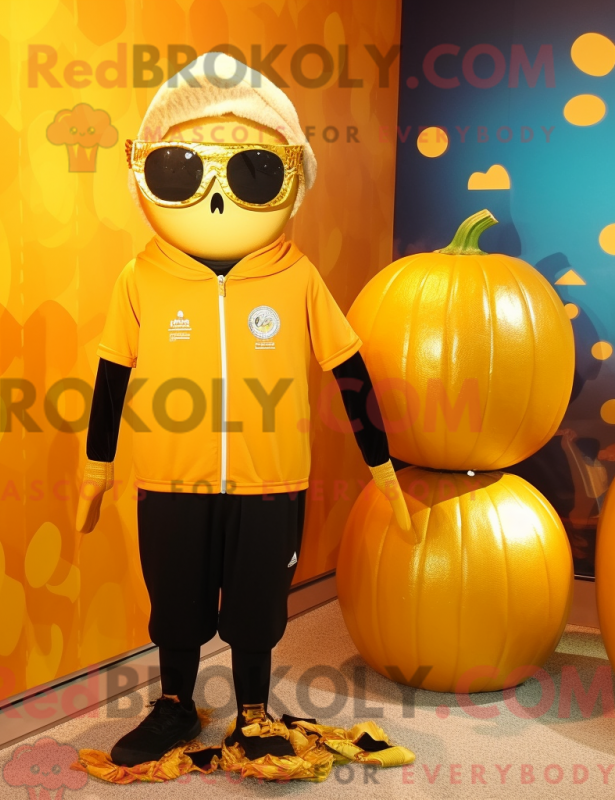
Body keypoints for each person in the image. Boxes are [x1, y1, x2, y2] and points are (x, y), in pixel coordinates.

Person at [76, 52, 410, 768]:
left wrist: (381, 464)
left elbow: (348, 369)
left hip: (271, 481)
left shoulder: (296, 276)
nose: (218, 199)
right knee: (175, 603)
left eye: (253, 172)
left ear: (290, 178)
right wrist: (96, 467)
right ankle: (174, 704)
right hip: (170, 479)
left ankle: (254, 714)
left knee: (258, 607)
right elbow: (112, 372)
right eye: (180, 170)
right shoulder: (141, 278)